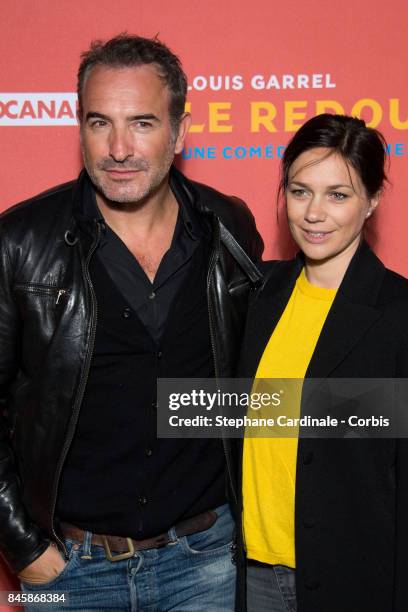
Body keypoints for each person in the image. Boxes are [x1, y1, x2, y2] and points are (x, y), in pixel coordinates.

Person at [0, 34, 263, 610]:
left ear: (181, 130)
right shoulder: (19, 243)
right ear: (80, 128)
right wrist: (21, 548)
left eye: (142, 123)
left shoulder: (227, 228)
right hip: (67, 573)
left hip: (207, 561)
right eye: (100, 124)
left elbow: (251, 380)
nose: (119, 149)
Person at [228, 114, 408, 611]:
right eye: (300, 190)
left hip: (354, 581)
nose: (313, 213)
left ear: (372, 201)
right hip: (250, 578)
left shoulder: (398, 314)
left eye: (338, 194)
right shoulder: (258, 296)